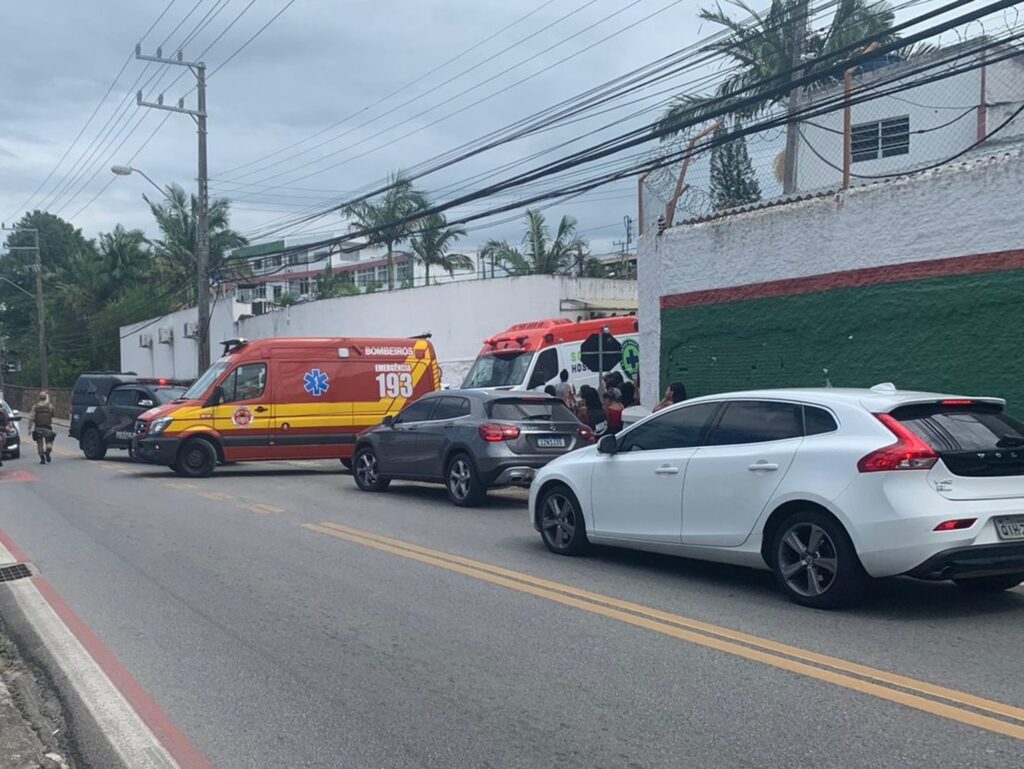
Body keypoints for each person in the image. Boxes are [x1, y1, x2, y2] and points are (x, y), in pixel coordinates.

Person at [30, 391, 56, 465]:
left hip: (38, 427)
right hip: (47, 427)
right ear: (45, 398)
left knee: (39, 443)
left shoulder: (35, 406)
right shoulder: (50, 406)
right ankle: (47, 451)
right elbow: (53, 414)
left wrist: (29, 428)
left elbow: (31, 417)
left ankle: (42, 459)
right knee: (49, 441)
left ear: (39, 398)